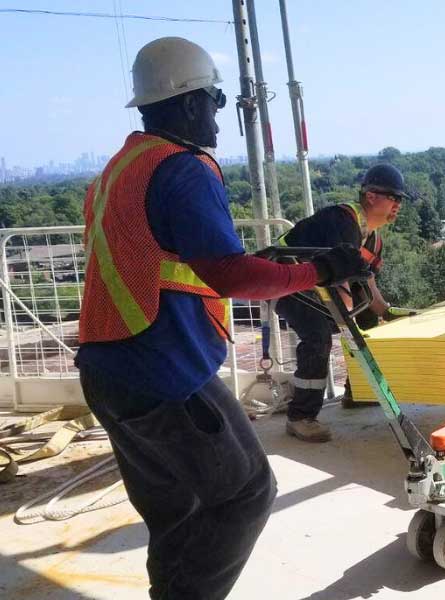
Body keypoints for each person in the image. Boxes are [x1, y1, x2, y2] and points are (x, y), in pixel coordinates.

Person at [74, 37, 368, 600]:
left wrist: (284, 266)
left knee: (176, 512)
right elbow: (231, 276)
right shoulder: (181, 170)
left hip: (109, 368)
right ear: (188, 103)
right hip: (162, 372)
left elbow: (170, 262)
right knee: (245, 493)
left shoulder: (119, 170)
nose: (218, 116)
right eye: (215, 100)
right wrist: (324, 271)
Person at [274, 163, 409, 442]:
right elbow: (340, 276)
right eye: (393, 198)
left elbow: (366, 282)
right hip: (287, 282)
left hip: (317, 285)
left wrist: (385, 312)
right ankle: (301, 416)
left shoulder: (373, 241)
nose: (398, 205)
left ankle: (357, 391)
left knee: (368, 320)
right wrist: (346, 318)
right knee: (318, 337)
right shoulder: (343, 219)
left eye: (400, 200)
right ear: (371, 196)